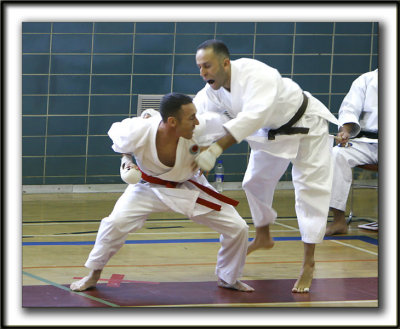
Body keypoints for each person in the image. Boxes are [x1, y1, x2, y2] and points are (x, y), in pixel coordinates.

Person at [192, 39, 339, 293]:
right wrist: (197, 148)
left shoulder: (257, 74)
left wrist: (215, 149)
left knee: (309, 191)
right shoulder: (212, 91)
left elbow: (251, 118)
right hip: (272, 133)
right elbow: (200, 118)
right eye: (199, 67)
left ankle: (308, 263)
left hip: (308, 125)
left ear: (225, 63)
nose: (203, 72)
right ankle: (263, 235)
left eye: (207, 66)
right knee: (254, 181)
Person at [70, 92, 254, 293]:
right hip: (148, 188)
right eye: (191, 118)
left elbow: (234, 124)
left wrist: (212, 150)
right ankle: (93, 275)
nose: (197, 121)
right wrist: (126, 160)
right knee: (114, 223)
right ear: (173, 121)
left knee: (238, 227)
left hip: (189, 186)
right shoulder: (138, 130)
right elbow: (121, 143)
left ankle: (228, 278)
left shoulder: (201, 127)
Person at [325, 69, 378, 235]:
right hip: (366, 143)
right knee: (337, 154)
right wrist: (345, 131)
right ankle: (339, 220)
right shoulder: (367, 79)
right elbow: (349, 109)